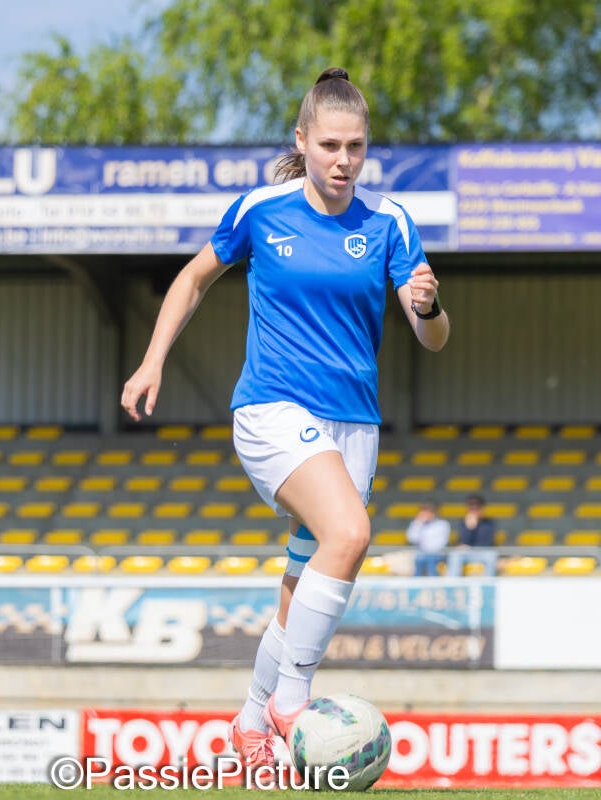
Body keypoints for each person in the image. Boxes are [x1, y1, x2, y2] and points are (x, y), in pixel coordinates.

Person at [121, 66, 450, 766]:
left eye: (356, 146)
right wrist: (152, 362)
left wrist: (428, 305)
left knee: (305, 583)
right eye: (330, 145)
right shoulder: (262, 210)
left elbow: (432, 336)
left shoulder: (388, 221)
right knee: (351, 531)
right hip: (271, 408)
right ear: (303, 140)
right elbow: (192, 280)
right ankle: (292, 699)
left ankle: (248, 723)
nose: (343, 160)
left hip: (353, 427)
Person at [446, 494, 497, 576]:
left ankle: (488, 585)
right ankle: (452, 584)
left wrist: (476, 524)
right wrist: (469, 528)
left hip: (483, 552)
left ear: (482, 509)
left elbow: (486, 542)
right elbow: (463, 541)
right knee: (455, 555)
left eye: (477, 508)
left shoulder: (488, 523)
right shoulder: (463, 522)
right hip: (467, 552)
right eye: (471, 508)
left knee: (491, 556)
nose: (474, 511)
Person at [406, 501, 452, 576]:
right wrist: (418, 524)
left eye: (427, 512)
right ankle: (417, 584)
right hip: (421, 553)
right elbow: (411, 538)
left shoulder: (442, 524)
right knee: (419, 560)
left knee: (430, 559)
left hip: (438, 553)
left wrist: (429, 550)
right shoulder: (417, 523)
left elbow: (442, 542)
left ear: (433, 513)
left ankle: (434, 584)